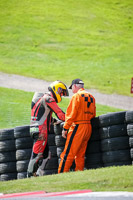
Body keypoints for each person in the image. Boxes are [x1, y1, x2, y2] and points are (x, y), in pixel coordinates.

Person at [27, 80, 69, 177]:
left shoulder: (41, 98)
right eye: (61, 93)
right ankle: (30, 176)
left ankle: (38, 174)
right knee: (37, 155)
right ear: (57, 89)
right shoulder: (48, 99)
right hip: (40, 131)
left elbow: (43, 116)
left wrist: (54, 121)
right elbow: (60, 114)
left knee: (46, 155)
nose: (61, 95)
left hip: (35, 129)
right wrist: (71, 119)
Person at [58, 78, 96, 173]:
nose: (72, 91)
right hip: (88, 127)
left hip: (78, 127)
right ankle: (79, 173)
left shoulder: (76, 96)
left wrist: (65, 128)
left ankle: (61, 174)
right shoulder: (91, 96)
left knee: (68, 153)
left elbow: (72, 114)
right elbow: (93, 114)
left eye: (72, 88)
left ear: (74, 86)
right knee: (80, 154)